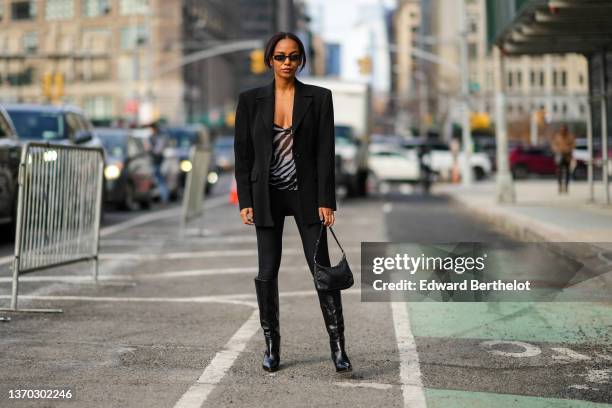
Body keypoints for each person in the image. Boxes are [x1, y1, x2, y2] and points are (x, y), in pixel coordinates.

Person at [233, 32, 352, 373]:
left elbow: (324, 152)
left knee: (323, 272)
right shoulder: (250, 100)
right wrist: (245, 199)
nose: (287, 62)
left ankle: (339, 348)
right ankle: (272, 347)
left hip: (307, 196)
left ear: (301, 60)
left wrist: (326, 200)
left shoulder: (318, 98)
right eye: (281, 56)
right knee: (267, 273)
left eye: (294, 57)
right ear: (269, 59)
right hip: (266, 196)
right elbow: (244, 155)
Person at [550, 124, 575, 193]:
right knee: (559, 171)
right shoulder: (557, 136)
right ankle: (560, 186)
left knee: (567, 172)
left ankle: (566, 187)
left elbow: (573, 145)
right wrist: (558, 150)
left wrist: (568, 149)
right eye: (562, 130)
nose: (563, 131)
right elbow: (553, 145)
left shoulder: (570, 137)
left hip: (567, 156)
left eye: (564, 129)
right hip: (560, 155)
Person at [149, 122, 169, 203]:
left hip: (157, 161)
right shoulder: (155, 136)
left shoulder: (158, 137)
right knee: (158, 179)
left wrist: (151, 150)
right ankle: (162, 196)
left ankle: (164, 197)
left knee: (160, 180)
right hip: (156, 160)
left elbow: (158, 150)